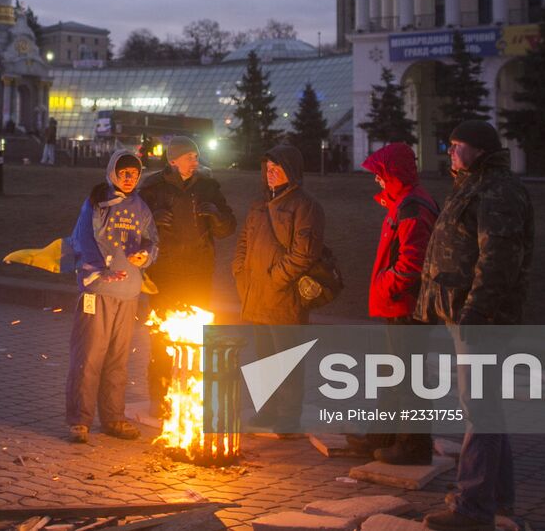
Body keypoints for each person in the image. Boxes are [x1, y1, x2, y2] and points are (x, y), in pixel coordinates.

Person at [414, 120, 534, 531]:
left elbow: (498, 258)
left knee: (479, 410)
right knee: (486, 409)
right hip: (465, 314)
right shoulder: (473, 183)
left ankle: (472, 508)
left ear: (479, 149)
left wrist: (477, 313)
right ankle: (497, 501)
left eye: (456, 145)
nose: (449, 151)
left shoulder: (497, 190)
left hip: (482, 319)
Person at [346, 142, 439, 464]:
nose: (377, 180)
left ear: (393, 172)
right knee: (392, 372)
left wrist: (388, 285)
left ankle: (413, 446)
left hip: (408, 306)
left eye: (380, 173)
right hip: (400, 303)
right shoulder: (402, 204)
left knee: (408, 377)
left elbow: (413, 262)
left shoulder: (412, 207)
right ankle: (382, 436)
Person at [65, 150, 158, 444]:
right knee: (89, 356)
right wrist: (99, 271)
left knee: (118, 359)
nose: (129, 179)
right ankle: (79, 420)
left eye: (134, 173)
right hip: (98, 292)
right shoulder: (97, 203)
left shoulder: (141, 207)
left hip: (128, 293)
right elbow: (81, 239)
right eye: (124, 173)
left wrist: (145, 255)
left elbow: (152, 240)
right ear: (113, 173)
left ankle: (113, 417)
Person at [139, 135, 236, 418]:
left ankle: (191, 394)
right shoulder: (153, 187)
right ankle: (160, 396)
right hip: (164, 275)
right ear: (173, 160)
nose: (196, 160)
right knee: (162, 338)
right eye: (190, 156)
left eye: (196, 156)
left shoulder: (207, 187)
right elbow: (134, 227)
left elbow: (227, 227)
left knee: (195, 338)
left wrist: (217, 216)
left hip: (197, 274)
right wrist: (152, 218)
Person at [232, 144, 325, 434]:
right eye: (267, 169)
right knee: (263, 356)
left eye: (277, 169)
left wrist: (275, 279)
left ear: (292, 171)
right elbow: (244, 241)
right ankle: (268, 409)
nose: (271, 174)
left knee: (286, 357)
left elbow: (303, 254)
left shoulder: (305, 206)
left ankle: (288, 415)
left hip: (284, 297)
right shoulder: (259, 204)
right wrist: (240, 272)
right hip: (256, 293)